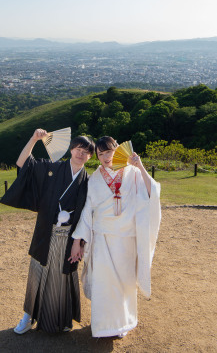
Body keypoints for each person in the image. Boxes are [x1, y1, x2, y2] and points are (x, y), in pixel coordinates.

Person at [0, 129, 95, 334]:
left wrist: (79, 242)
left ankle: (60, 319)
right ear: (71, 150)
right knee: (37, 273)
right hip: (46, 232)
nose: (81, 153)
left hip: (70, 237)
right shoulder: (53, 168)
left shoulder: (89, 182)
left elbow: (89, 215)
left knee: (62, 277)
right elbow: (23, 163)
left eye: (86, 152)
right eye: (78, 148)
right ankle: (28, 316)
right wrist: (33, 139)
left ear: (90, 157)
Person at [69, 136, 161, 338]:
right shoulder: (94, 178)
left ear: (117, 150)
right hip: (102, 238)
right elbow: (87, 211)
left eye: (109, 151)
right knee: (104, 283)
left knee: (124, 283)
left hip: (126, 238)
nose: (105, 157)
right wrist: (78, 241)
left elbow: (151, 191)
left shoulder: (133, 172)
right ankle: (102, 326)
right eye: (101, 154)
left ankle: (122, 324)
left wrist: (140, 165)